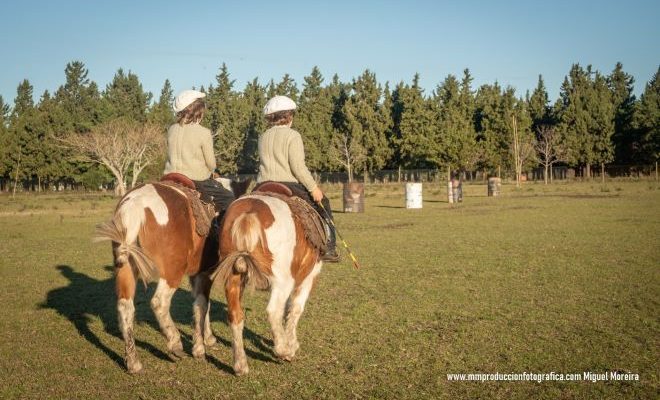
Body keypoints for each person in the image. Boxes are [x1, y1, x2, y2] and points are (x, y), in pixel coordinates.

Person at [257, 95, 340, 262]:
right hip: (288, 184)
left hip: (263, 184)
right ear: (288, 116)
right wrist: (313, 188)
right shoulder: (293, 135)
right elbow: (298, 168)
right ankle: (329, 248)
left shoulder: (263, 137)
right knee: (325, 204)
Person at [164, 89, 234, 215]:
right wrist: (211, 170)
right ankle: (216, 229)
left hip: (169, 177)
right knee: (229, 198)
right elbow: (211, 164)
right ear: (198, 111)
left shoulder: (171, 130)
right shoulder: (203, 132)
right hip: (196, 180)